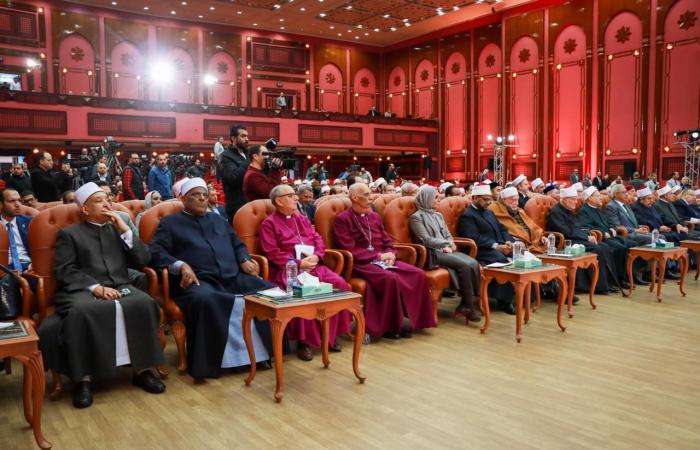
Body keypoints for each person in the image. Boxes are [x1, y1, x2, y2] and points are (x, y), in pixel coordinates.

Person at [38, 182, 165, 408]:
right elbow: (65, 270)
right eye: (99, 201)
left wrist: (125, 231)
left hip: (120, 285)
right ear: (84, 209)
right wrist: (95, 287)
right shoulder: (69, 234)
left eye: (107, 200)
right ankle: (83, 380)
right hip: (81, 290)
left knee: (143, 303)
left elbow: (144, 260)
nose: (107, 204)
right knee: (85, 311)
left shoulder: (117, 229)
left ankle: (142, 370)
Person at [149, 178, 274, 379]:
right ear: (183, 199)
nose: (201, 198)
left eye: (204, 195)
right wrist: (181, 265)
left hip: (232, 276)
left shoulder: (217, 220)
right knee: (208, 299)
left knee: (267, 291)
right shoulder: (170, 223)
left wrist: (244, 259)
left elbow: (237, 244)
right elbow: (155, 251)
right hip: (199, 281)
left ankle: (263, 353)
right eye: (195, 195)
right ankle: (216, 362)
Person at [260, 185, 352, 360]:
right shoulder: (269, 223)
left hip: (314, 266)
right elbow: (272, 252)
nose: (296, 198)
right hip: (288, 269)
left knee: (340, 284)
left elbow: (317, 238)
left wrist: (317, 256)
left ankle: (331, 336)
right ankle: (304, 342)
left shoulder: (301, 218)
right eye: (291, 195)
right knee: (301, 291)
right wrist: (298, 263)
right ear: (279, 201)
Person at [334, 182, 435, 338]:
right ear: (354, 197)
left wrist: (391, 254)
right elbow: (349, 249)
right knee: (389, 278)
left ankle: (417, 320)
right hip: (361, 263)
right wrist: (379, 256)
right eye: (367, 195)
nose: (370, 199)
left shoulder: (373, 216)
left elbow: (387, 241)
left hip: (383, 259)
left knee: (418, 274)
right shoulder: (343, 219)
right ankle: (391, 326)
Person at [410, 186, 481, 322]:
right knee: (465, 266)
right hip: (431, 253)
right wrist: (445, 245)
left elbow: (447, 234)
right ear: (427, 199)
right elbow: (426, 239)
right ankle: (469, 306)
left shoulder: (438, 215)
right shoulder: (416, 217)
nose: (439, 200)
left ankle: (467, 303)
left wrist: (450, 243)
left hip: (446, 249)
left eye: (438, 197)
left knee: (473, 263)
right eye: (435, 198)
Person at [458, 183, 516, 314]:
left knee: (521, 255)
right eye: (485, 199)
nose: (489, 202)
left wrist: (508, 241)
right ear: (475, 198)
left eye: (490, 199)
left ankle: (523, 296)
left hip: (499, 246)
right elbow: (473, 237)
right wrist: (496, 246)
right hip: (480, 251)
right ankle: (504, 302)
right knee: (501, 260)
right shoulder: (467, 215)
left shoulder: (489, 212)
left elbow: (502, 228)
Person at [547, 186, 616, 293]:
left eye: (576, 199)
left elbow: (578, 227)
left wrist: (588, 234)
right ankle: (596, 286)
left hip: (576, 238)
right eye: (573, 200)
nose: (576, 202)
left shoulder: (569, 209)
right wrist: (586, 237)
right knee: (597, 248)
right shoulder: (556, 212)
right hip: (565, 241)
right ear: (565, 200)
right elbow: (566, 231)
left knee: (605, 246)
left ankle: (607, 282)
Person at [578, 186, 637, 288]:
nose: (600, 197)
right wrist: (603, 232)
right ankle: (618, 279)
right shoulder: (585, 210)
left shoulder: (598, 209)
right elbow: (586, 227)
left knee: (632, 244)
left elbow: (608, 223)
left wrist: (612, 228)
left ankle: (629, 276)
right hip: (601, 238)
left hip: (609, 235)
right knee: (620, 248)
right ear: (589, 198)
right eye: (597, 196)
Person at [489, 187, 549, 254]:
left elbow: (532, 225)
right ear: (503, 200)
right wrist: (514, 242)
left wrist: (541, 236)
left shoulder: (520, 210)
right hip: (516, 245)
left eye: (517, 200)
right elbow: (502, 230)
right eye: (513, 200)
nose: (516, 203)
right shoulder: (495, 209)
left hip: (533, 243)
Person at [220, 125, 250, 220]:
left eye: (247, 136)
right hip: (237, 206)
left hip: (252, 202)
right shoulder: (225, 156)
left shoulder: (248, 153)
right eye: (243, 136)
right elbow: (233, 178)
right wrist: (249, 160)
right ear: (233, 138)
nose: (247, 139)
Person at [0, 188, 32, 271]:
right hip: (5, 269)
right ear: (1, 204)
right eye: (12, 201)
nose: (17, 204)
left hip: (28, 266)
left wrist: (34, 264)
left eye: (19, 200)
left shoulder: (29, 222)